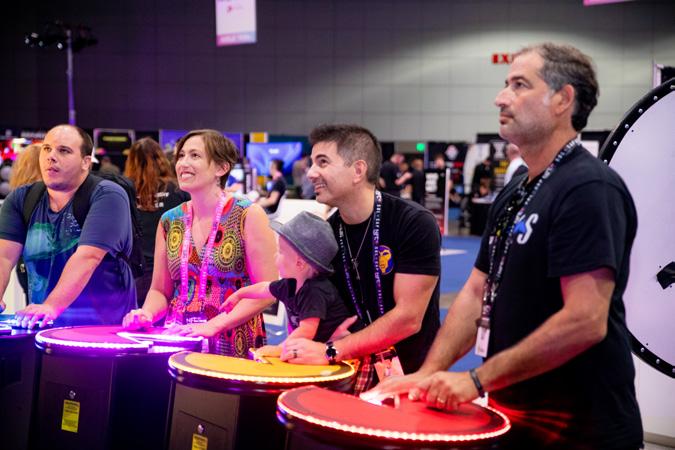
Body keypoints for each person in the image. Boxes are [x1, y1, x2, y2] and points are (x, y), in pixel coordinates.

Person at [367, 43, 643, 449]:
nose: (501, 97)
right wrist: (429, 371)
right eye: (505, 84)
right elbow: (477, 290)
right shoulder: (516, 189)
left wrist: (476, 379)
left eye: (519, 85)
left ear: (562, 99)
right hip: (514, 416)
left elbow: (585, 319)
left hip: (583, 429)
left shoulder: (589, 188)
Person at [282, 124, 441, 395]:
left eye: (323, 162)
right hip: (351, 371)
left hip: (411, 374)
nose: (310, 173)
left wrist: (332, 350)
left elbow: (408, 318)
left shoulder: (413, 222)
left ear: (358, 170)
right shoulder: (329, 232)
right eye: (312, 162)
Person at [122, 129, 278, 358]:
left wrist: (214, 325)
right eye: (181, 156)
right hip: (180, 339)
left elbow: (268, 289)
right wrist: (146, 314)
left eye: (194, 155)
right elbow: (160, 290)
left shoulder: (247, 214)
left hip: (232, 340)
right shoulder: (169, 221)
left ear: (221, 168)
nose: (183, 163)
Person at [0, 124, 136, 325]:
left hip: (104, 328)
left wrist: (51, 306)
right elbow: (4, 257)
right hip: (43, 326)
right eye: (47, 149)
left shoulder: (108, 195)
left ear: (86, 162)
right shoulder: (21, 199)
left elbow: (88, 257)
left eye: (63, 151)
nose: (51, 156)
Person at [223, 211, 358, 359]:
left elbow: (307, 331)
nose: (275, 255)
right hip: (318, 348)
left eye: (280, 252)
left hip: (340, 349)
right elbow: (263, 288)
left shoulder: (314, 291)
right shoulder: (289, 284)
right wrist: (239, 294)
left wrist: (279, 349)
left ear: (299, 263)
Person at [124, 137, 189, 306]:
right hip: (173, 272)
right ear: (161, 158)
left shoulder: (123, 192)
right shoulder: (178, 190)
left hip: (135, 274)